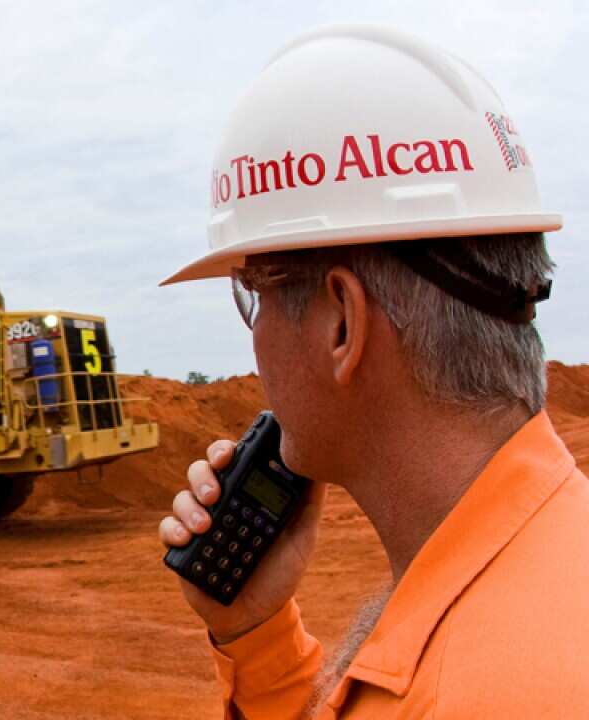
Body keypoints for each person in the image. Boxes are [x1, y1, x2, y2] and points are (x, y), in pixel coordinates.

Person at [157, 24, 587, 718]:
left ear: (341, 324)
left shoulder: (487, 695)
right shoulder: (536, 579)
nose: (256, 338)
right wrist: (257, 637)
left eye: (253, 294)